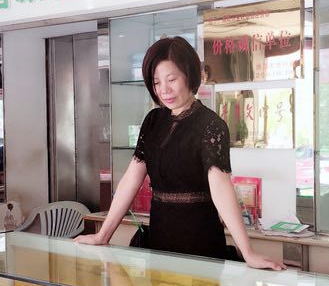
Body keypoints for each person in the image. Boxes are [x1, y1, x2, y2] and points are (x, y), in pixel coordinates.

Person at [76, 36, 284, 270]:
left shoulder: (210, 125)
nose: (164, 90)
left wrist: (248, 253)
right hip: (159, 238)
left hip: (199, 241)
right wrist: (103, 235)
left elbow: (221, 189)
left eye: (172, 79)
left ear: (189, 76)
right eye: (156, 82)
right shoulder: (153, 121)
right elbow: (130, 181)